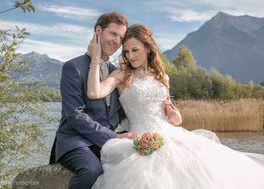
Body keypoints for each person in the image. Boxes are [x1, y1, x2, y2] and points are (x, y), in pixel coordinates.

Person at [87, 23, 264, 189]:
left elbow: (171, 111)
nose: (130, 56)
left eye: (135, 50)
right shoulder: (122, 75)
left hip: (172, 135)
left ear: (148, 49)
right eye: (126, 52)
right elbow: (94, 93)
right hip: (141, 139)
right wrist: (95, 59)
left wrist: (177, 117)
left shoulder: (162, 76)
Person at [49, 12, 140, 189]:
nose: (117, 41)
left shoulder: (116, 72)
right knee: (91, 169)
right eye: (113, 34)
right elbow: (74, 114)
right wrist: (114, 136)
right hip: (76, 141)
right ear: (98, 31)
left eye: (121, 37)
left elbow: (122, 111)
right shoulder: (73, 67)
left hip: (108, 141)